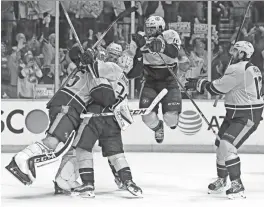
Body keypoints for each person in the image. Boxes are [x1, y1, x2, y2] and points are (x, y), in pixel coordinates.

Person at [53, 42, 143, 197]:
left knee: (81, 148)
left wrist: (90, 59)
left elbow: (93, 72)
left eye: (116, 55)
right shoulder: (124, 80)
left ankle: (87, 184)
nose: (113, 57)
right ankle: (128, 181)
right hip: (113, 118)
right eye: (111, 53)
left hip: (95, 114)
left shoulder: (109, 68)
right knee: (116, 153)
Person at [5, 44, 95, 186]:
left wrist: (83, 55)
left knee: (73, 147)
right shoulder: (93, 70)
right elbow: (73, 53)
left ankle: (62, 180)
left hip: (72, 107)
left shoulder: (90, 67)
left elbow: (74, 55)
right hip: (69, 104)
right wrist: (81, 52)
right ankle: (21, 159)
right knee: (54, 139)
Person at [184, 41, 264, 199]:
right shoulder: (252, 67)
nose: (232, 54)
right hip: (235, 113)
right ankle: (222, 180)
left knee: (227, 146)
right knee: (220, 144)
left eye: (236, 51)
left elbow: (215, 88)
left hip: (246, 115)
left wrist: (197, 83)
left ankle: (237, 184)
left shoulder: (237, 69)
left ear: (243, 54)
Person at [130, 15, 183, 143]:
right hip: (150, 82)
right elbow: (133, 69)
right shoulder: (141, 38)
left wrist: (162, 46)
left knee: (171, 120)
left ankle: (170, 118)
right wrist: (138, 50)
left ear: (160, 28)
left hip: (169, 81)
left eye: (152, 29)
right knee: (147, 116)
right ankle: (158, 127)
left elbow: (174, 52)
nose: (148, 32)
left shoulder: (170, 34)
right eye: (147, 28)